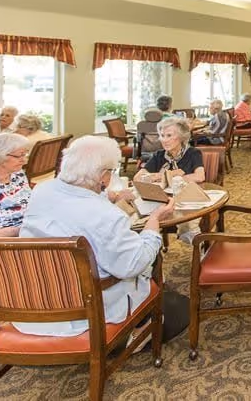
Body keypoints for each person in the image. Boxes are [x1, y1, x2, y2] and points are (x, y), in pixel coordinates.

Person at [15, 136, 175, 336]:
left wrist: (110, 196)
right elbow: (133, 264)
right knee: (150, 258)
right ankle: (139, 329)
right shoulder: (107, 215)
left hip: (34, 298)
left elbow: (79, 203)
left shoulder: (42, 191)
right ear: (103, 176)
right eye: (112, 171)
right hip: (88, 310)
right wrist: (154, 222)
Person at [134, 117, 205, 244]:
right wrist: (161, 176)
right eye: (162, 135)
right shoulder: (159, 155)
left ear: (181, 137)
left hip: (184, 199)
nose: (164, 140)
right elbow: (138, 178)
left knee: (187, 221)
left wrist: (170, 177)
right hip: (160, 199)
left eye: (169, 135)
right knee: (134, 212)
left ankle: (192, 237)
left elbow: (200, 176)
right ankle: (144, 244)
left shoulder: (193, 153)